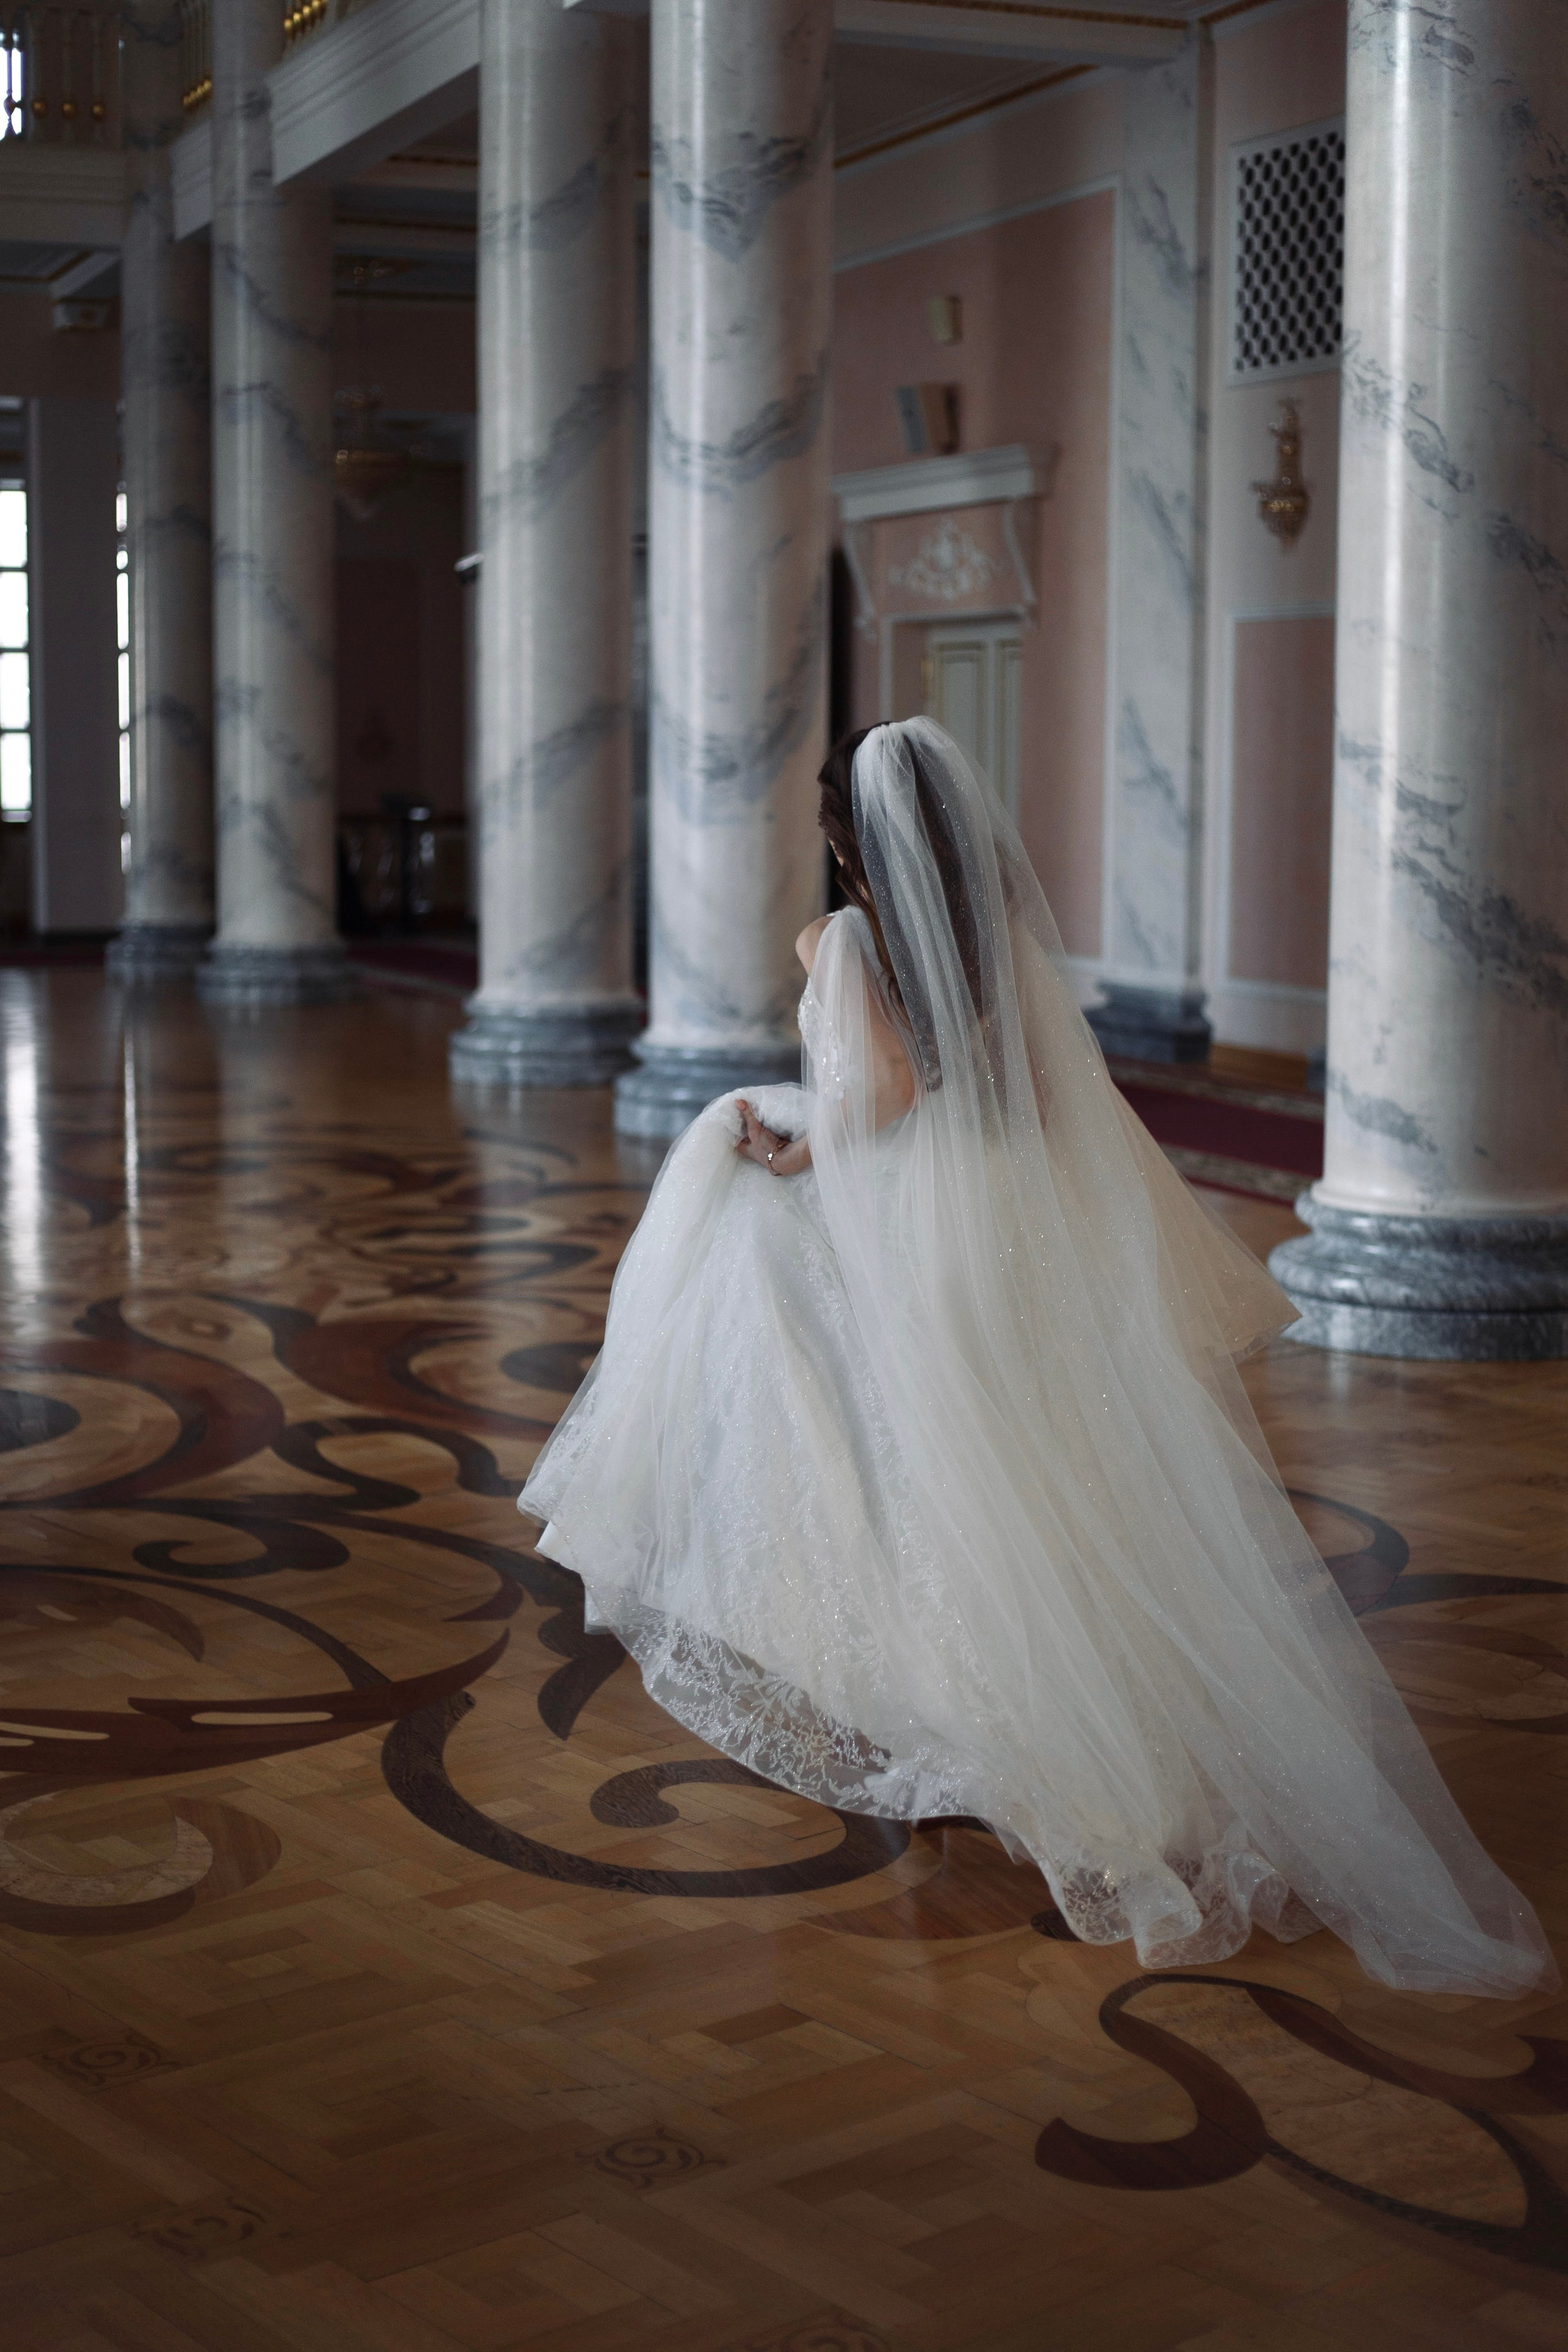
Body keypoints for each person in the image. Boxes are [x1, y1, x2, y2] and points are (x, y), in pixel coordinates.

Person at [520, 718, 1556, 1996]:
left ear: (844, 830)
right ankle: (1111, 1737)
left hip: (911, 1224)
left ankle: (964, 1719)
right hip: (1006, 1228)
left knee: (898, 1461)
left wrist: (791, 1153)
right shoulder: (996, 946)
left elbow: (883, 1095)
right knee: (1032, 1475)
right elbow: (1057, 1109)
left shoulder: (839, 940)